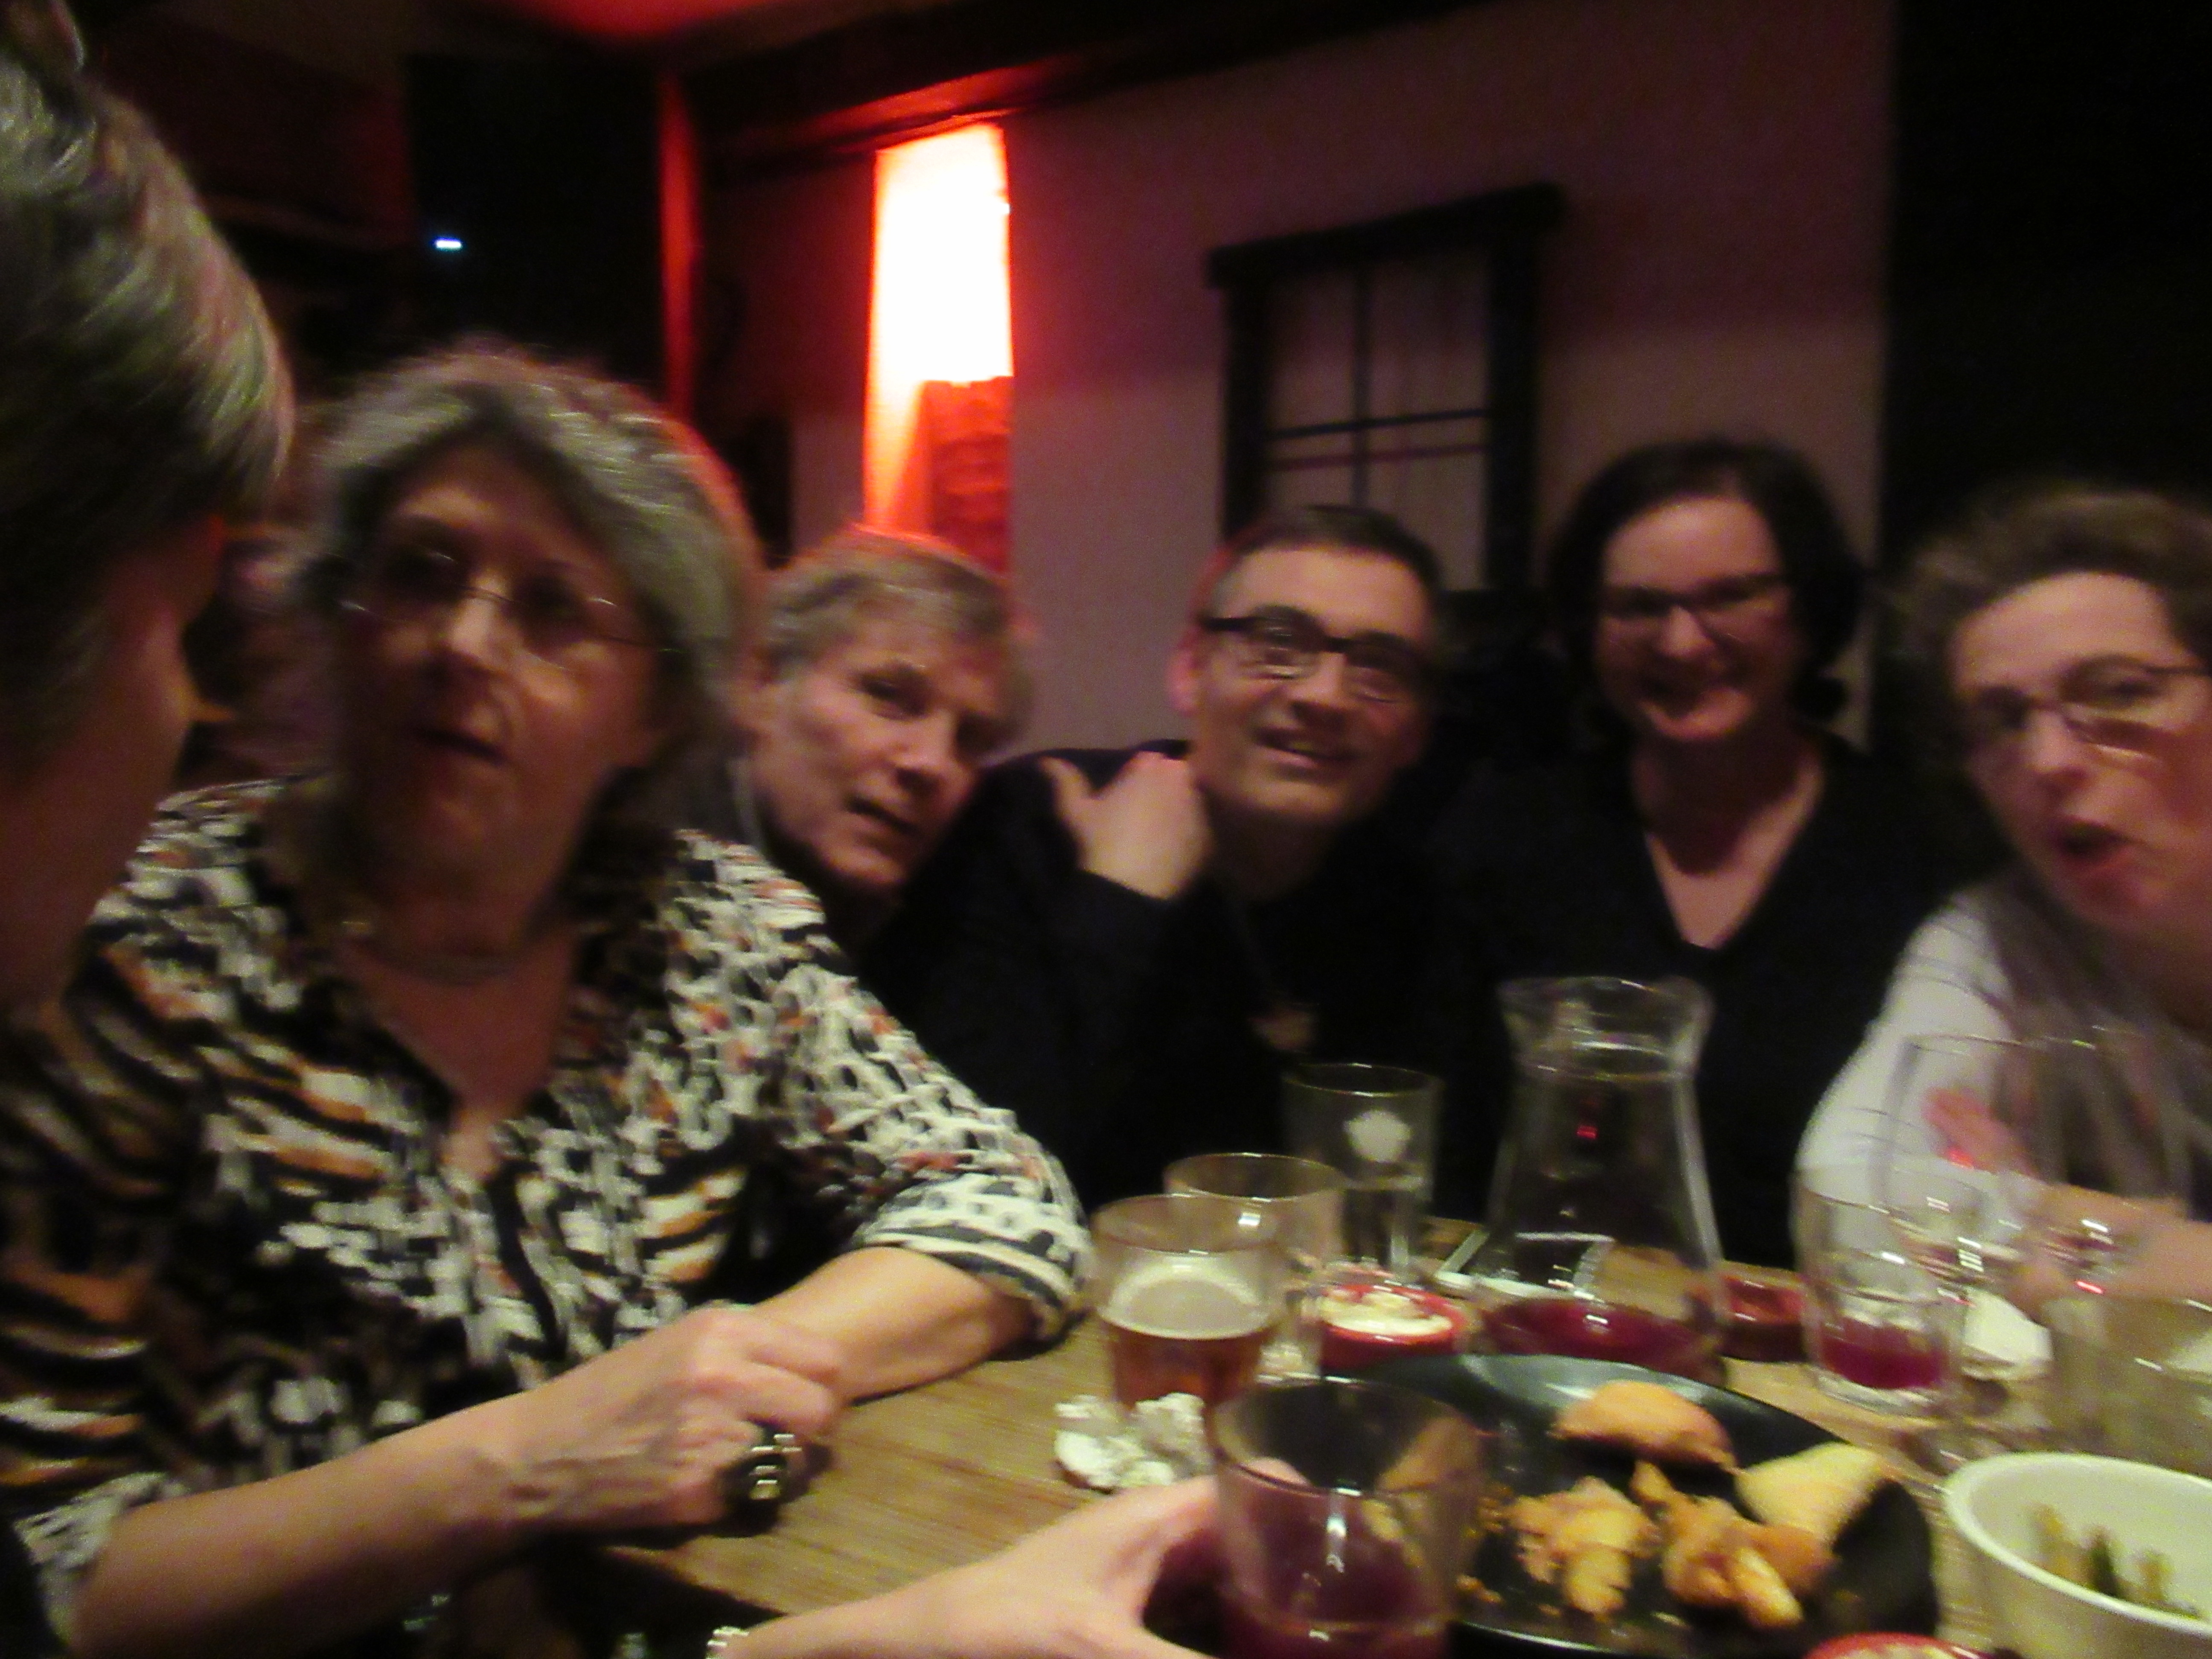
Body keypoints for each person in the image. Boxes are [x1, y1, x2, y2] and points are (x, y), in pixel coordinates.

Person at [1436, 440, 1953, 1266]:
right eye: (1636, 606)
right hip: (1538, 1313)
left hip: (1818, 1327)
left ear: (1807, 609)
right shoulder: (1507, 832)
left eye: (1730, 596)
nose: (1680, 642)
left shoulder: (1917, 846)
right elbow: (1451, 1144)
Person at [880, 504, 1447, 1205]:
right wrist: (1117, 899)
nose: (1324, 696)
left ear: (1416, 730)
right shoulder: (1026, 825)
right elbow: (957, 1171)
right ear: (1188, 669)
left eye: (1380, 667)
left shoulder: (1417, 906)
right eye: (1277, 643)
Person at [1801, 485, 2212, 1263]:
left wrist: (2058, 1216)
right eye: (2003, 721)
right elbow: (1844, 1187)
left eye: (2120, 692)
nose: (2046, 760)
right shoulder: (2000, 937)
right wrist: (2136, 1248)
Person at [675, 527, 1027, 952]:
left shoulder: (943, 919)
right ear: (761, 682)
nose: (932, 763)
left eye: (970, 739)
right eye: (888, 695)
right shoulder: (645, 897)